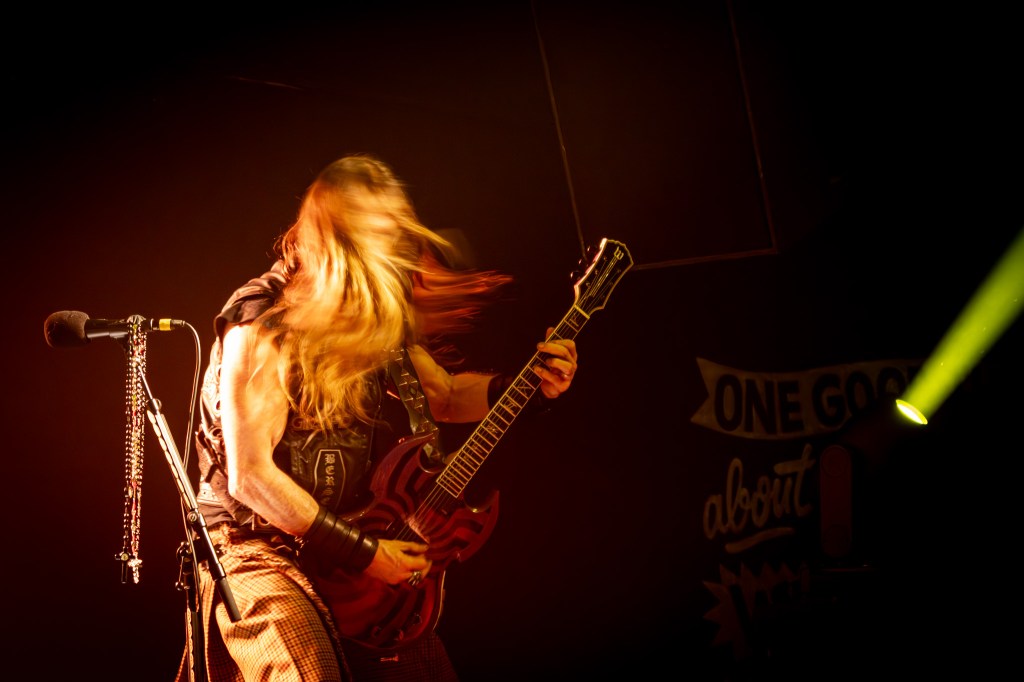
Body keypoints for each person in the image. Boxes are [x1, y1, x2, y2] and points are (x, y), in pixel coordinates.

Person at [176, 153, 578, 682]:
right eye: (377, 239)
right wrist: (366, 554)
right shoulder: (261, 323)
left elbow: (444, 394)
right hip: (256, 548)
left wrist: (531, 386)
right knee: (307, 673)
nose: (392, 256)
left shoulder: (366, 315)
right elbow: (251, 477)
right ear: (339, 242)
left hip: (348, 545)